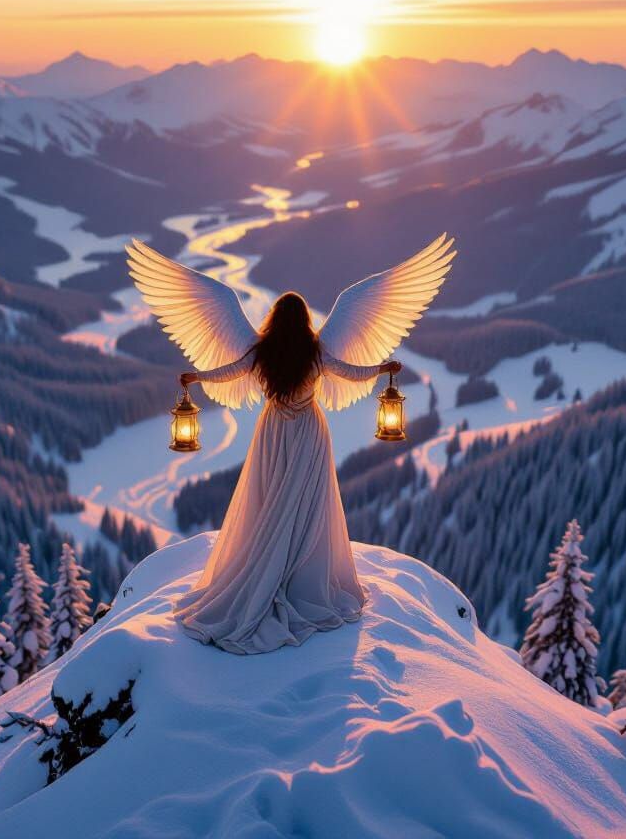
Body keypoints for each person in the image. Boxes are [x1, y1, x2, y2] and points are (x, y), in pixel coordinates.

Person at [126, 234, 455, 654]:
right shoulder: (316, 352)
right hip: (309, 434)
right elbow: (352, 373)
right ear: (303, 322)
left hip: (274, 432)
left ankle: (264, 570)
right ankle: (302, 576)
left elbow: (228, 371)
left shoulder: (262, 352)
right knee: (307, 503)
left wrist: (196, 378)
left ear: (274, 321)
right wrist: (384, 368)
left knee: (270, 501)